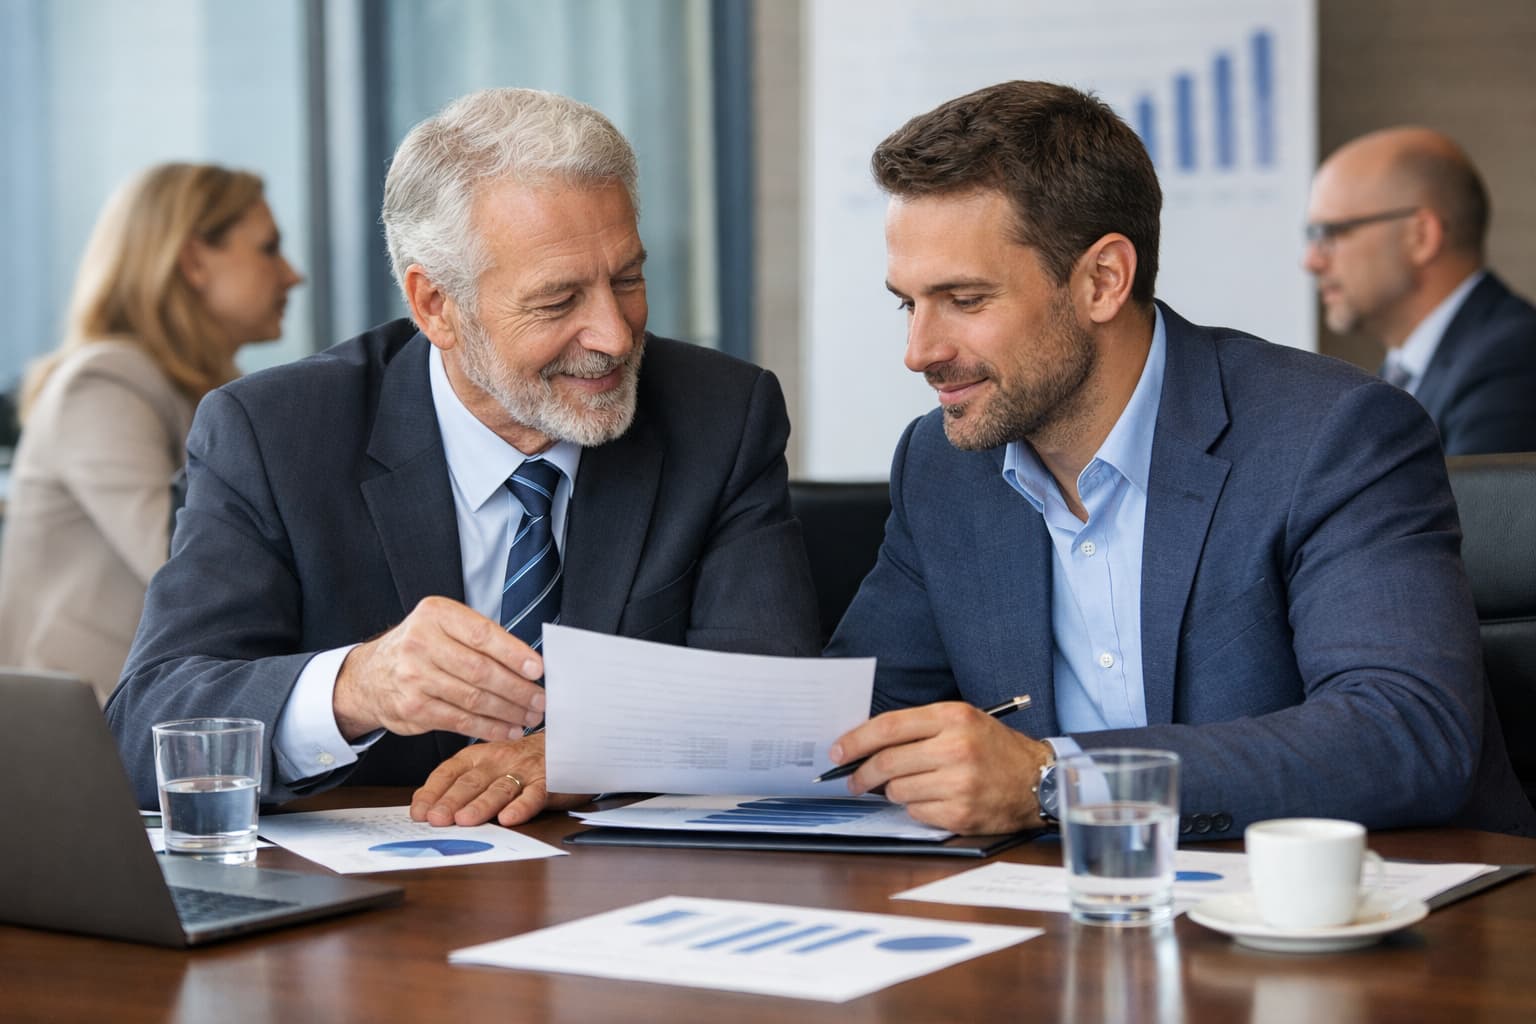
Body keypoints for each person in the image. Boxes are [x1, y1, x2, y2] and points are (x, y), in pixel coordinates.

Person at [822, 81, 1535, 840]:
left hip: (1367, 921)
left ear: (1102, 280)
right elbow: (862, 721)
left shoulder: (1331, 433)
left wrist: (1050, 780)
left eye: (965, 300)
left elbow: (1406, 733)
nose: (918, 352)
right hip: (1068, 918)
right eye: (908, 302)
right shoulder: (944, 464)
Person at [106, 88, 819, 826]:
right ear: (435, 306)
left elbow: (773, 693)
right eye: (557, 301)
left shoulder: (720, 414)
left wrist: (582, 751)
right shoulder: (275, 434)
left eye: (628, 279)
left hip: (631, 890)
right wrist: (356, 686)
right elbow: (145, 729)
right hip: (374, 905)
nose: (612, 334)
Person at [0, 163, 303, 703]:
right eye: (268, 248)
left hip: (167, 722)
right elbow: (200, 564)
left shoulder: (203, 394)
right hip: (87, 737)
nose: (291, 274)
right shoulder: (102, 383)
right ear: (192, 260)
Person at [1304, 127, 1536, 455]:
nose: (1311, 261)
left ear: (1421, 237)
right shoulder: (1405, 371)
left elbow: (1482, 507)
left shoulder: (1511, 362)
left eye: (1331, 232)